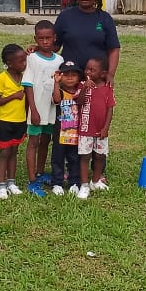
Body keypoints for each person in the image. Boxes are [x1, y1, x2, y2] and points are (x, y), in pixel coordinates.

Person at [53, 0, 120, 83]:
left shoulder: (105, 18)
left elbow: (113, 49)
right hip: (70, 79)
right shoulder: (65, 16)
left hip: (97, 80)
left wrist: (110, 74)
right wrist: (38, 49)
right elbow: (55, 45)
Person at [23, 20, 61, 197]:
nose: (45, 41)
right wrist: (33, 110)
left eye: (48, 38)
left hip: (51, 110)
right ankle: (32, 180)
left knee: (46, 140)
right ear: (35, 39)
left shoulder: (59, 60)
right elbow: (28, 85)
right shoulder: (32, 58)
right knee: (34, 142)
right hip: (37, 110)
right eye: (41, 38)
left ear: (54, 38)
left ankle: (40, 172)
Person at [76, 56, 116, 199]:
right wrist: (84, 88)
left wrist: (106, 128)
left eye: (93, 70)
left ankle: (95, 180)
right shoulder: (82, 85)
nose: (88, 72)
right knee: (85, 156)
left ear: (103, 73)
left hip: (101, 130)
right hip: (86, 128)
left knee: (100, 155)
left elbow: (110, 109)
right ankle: (84, 185)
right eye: (87, 68)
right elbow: (79, 102)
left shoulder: (107, 88)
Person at [0, 44, 29, 199]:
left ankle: (11, 182)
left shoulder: (25, 77)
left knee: (14, 151)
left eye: (25, 60)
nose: (24, 64)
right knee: (5, 152)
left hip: (20, 120)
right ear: (9, 63)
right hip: (6, 121)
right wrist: (13, 96)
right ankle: (1, 185)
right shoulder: (2, 78)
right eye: (20, 61)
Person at [50, 60, 85, 196]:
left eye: (73, 75)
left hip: (76, 132)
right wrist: (56, 83)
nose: (70, 78)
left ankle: (74, 182)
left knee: (74, 158)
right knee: (57, 158)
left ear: (79, 77)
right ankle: (57, 182)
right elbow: (56, 100)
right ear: (60, 76)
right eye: (66, 75)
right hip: (60, 132)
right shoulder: (60, 91)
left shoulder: (80, 92)